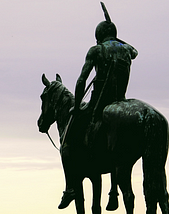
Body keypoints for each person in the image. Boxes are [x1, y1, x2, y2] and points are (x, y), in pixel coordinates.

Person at [58, 3, 138, 209]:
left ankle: (70, 189)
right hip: (120, 101)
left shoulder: (96, 50)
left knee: (66, 144)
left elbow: (80, 81)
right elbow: (135, 51)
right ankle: (113, 192)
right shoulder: (127, 50)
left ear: (99, 35)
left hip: (99, 103)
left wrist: (76, 107)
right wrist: (117, 38)